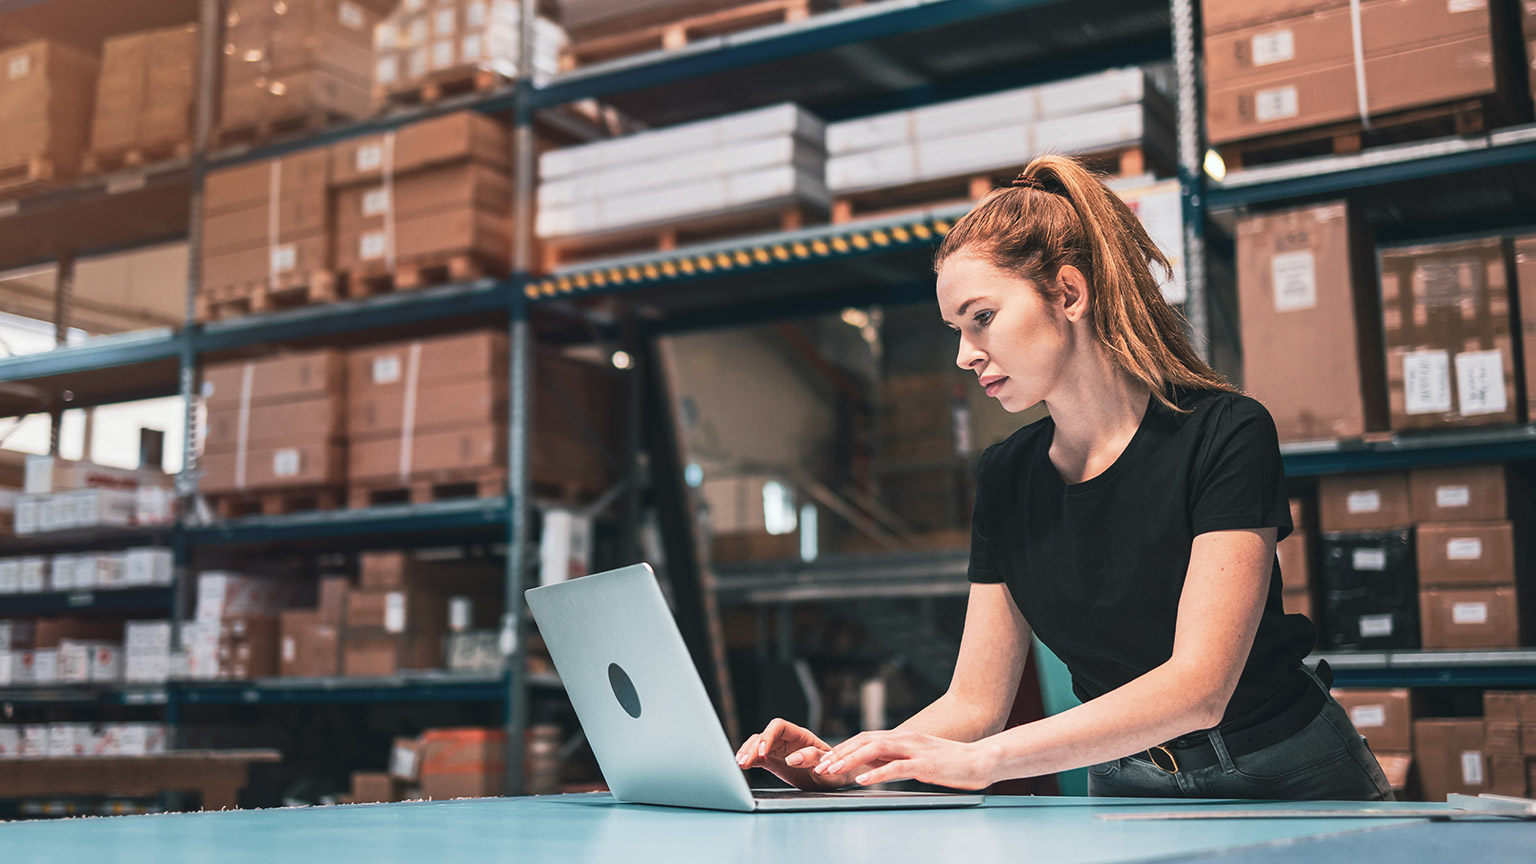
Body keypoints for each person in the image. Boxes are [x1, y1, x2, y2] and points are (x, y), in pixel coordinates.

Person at [735, 154, 1393, 801]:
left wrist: (985, 762)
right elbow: (973, 702)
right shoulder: (1005, 477)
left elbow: (1201, 687)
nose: (965, 354)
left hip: (1285, 773)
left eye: (981, 317)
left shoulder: (1225, 433)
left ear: (1069, 294)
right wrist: (847, 766)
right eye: (955, 329)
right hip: (1126, 781)